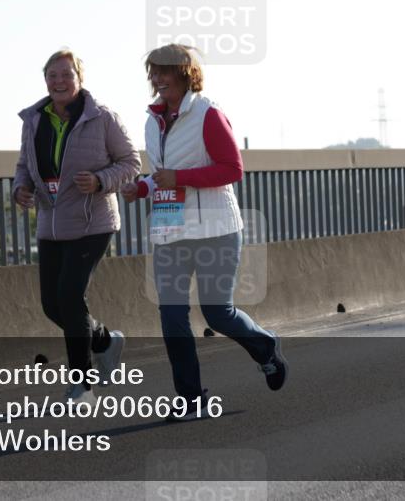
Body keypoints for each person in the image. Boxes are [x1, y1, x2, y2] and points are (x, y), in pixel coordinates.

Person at [120, 44, 287, 420]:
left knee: (217, 314)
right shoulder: (152, 120)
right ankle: (190, 397)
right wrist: (142, 188)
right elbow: (163, 172)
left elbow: (232, 168)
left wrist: (180, 178)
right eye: (154, 73)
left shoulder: (208, 113)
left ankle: (265, 347)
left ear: (186, 74)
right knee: (172, 317)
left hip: (216, 229)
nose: (158, 79)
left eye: (166, 72)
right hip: (170, 231)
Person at [14, 49, 141, 404]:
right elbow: (24, 164)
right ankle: (104, 340)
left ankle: (82, 384)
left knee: (70, 297)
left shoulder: (102, 117)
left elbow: (131, 162)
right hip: (51, 224)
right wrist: (19, 188)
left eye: (66, 74)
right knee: (52, 306)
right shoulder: (34, 119)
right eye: (53, 75)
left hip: (92, 222)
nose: (59, 81)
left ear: (79, 79)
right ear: (45, 80)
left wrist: (101, 180)